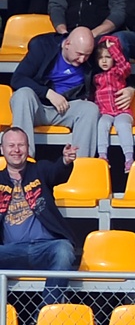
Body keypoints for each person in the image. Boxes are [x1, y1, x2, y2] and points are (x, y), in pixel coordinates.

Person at [0, 128, 78, 307]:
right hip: (11, 251)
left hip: (46, 248)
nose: (16, 150)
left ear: (28, 148)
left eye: (21, 145)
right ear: (2, 150)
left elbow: (57, 172)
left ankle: (45, 317)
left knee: (64, 250)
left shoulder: (40, 170)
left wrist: (65, 161)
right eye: (11, 145)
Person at [10, 28, 110, 158]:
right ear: (67, 44)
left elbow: (115, 69)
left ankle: (80, 165)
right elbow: (17, 79)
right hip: (37, 108)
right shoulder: (43, 46)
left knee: (90, 109)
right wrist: (48, 93)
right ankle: (22, 161)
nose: (82, 59)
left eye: (86, 55)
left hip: (66, 109)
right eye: (79, 54)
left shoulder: (88, 56)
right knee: (22, 94)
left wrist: (130, 87)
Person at [93, 36, 135, 172]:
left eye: (108, 57)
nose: (104, 61)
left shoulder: (118, 73)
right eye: (101, 57)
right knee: (102, 124)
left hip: (121, 111)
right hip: (106, 112)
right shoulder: (96, 77)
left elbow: (125, 65)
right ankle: (103, 155)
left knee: (122, 125)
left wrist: (113, 48)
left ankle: (129, 158)